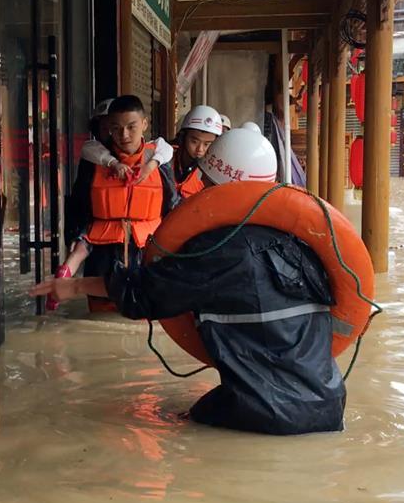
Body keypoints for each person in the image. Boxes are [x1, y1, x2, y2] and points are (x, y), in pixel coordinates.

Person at [31, 124, 346, 435]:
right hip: (329, 403)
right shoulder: (301, 243)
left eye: (207, 185)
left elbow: (144, 292)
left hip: (263, 412)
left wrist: (73, 285)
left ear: (223, 190)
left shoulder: (223, 250)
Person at [53, 99, 174, 310]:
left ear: (144, 124)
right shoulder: (95, 159)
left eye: (131, 127)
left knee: (144, 312)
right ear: (109, 128)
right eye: (116, 128)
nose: (124, 135)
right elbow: (80, 200)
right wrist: (75, 235)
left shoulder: (159, 160)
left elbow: (172, 205)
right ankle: (59, 286)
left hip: (145, 249)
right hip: (103, 252)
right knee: (99, 320)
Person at [170, 105, 223, 200]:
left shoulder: (211, 174)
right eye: (194, 141)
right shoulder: (164, 158)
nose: (200, 149)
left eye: (207, 144)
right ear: (183, 137)